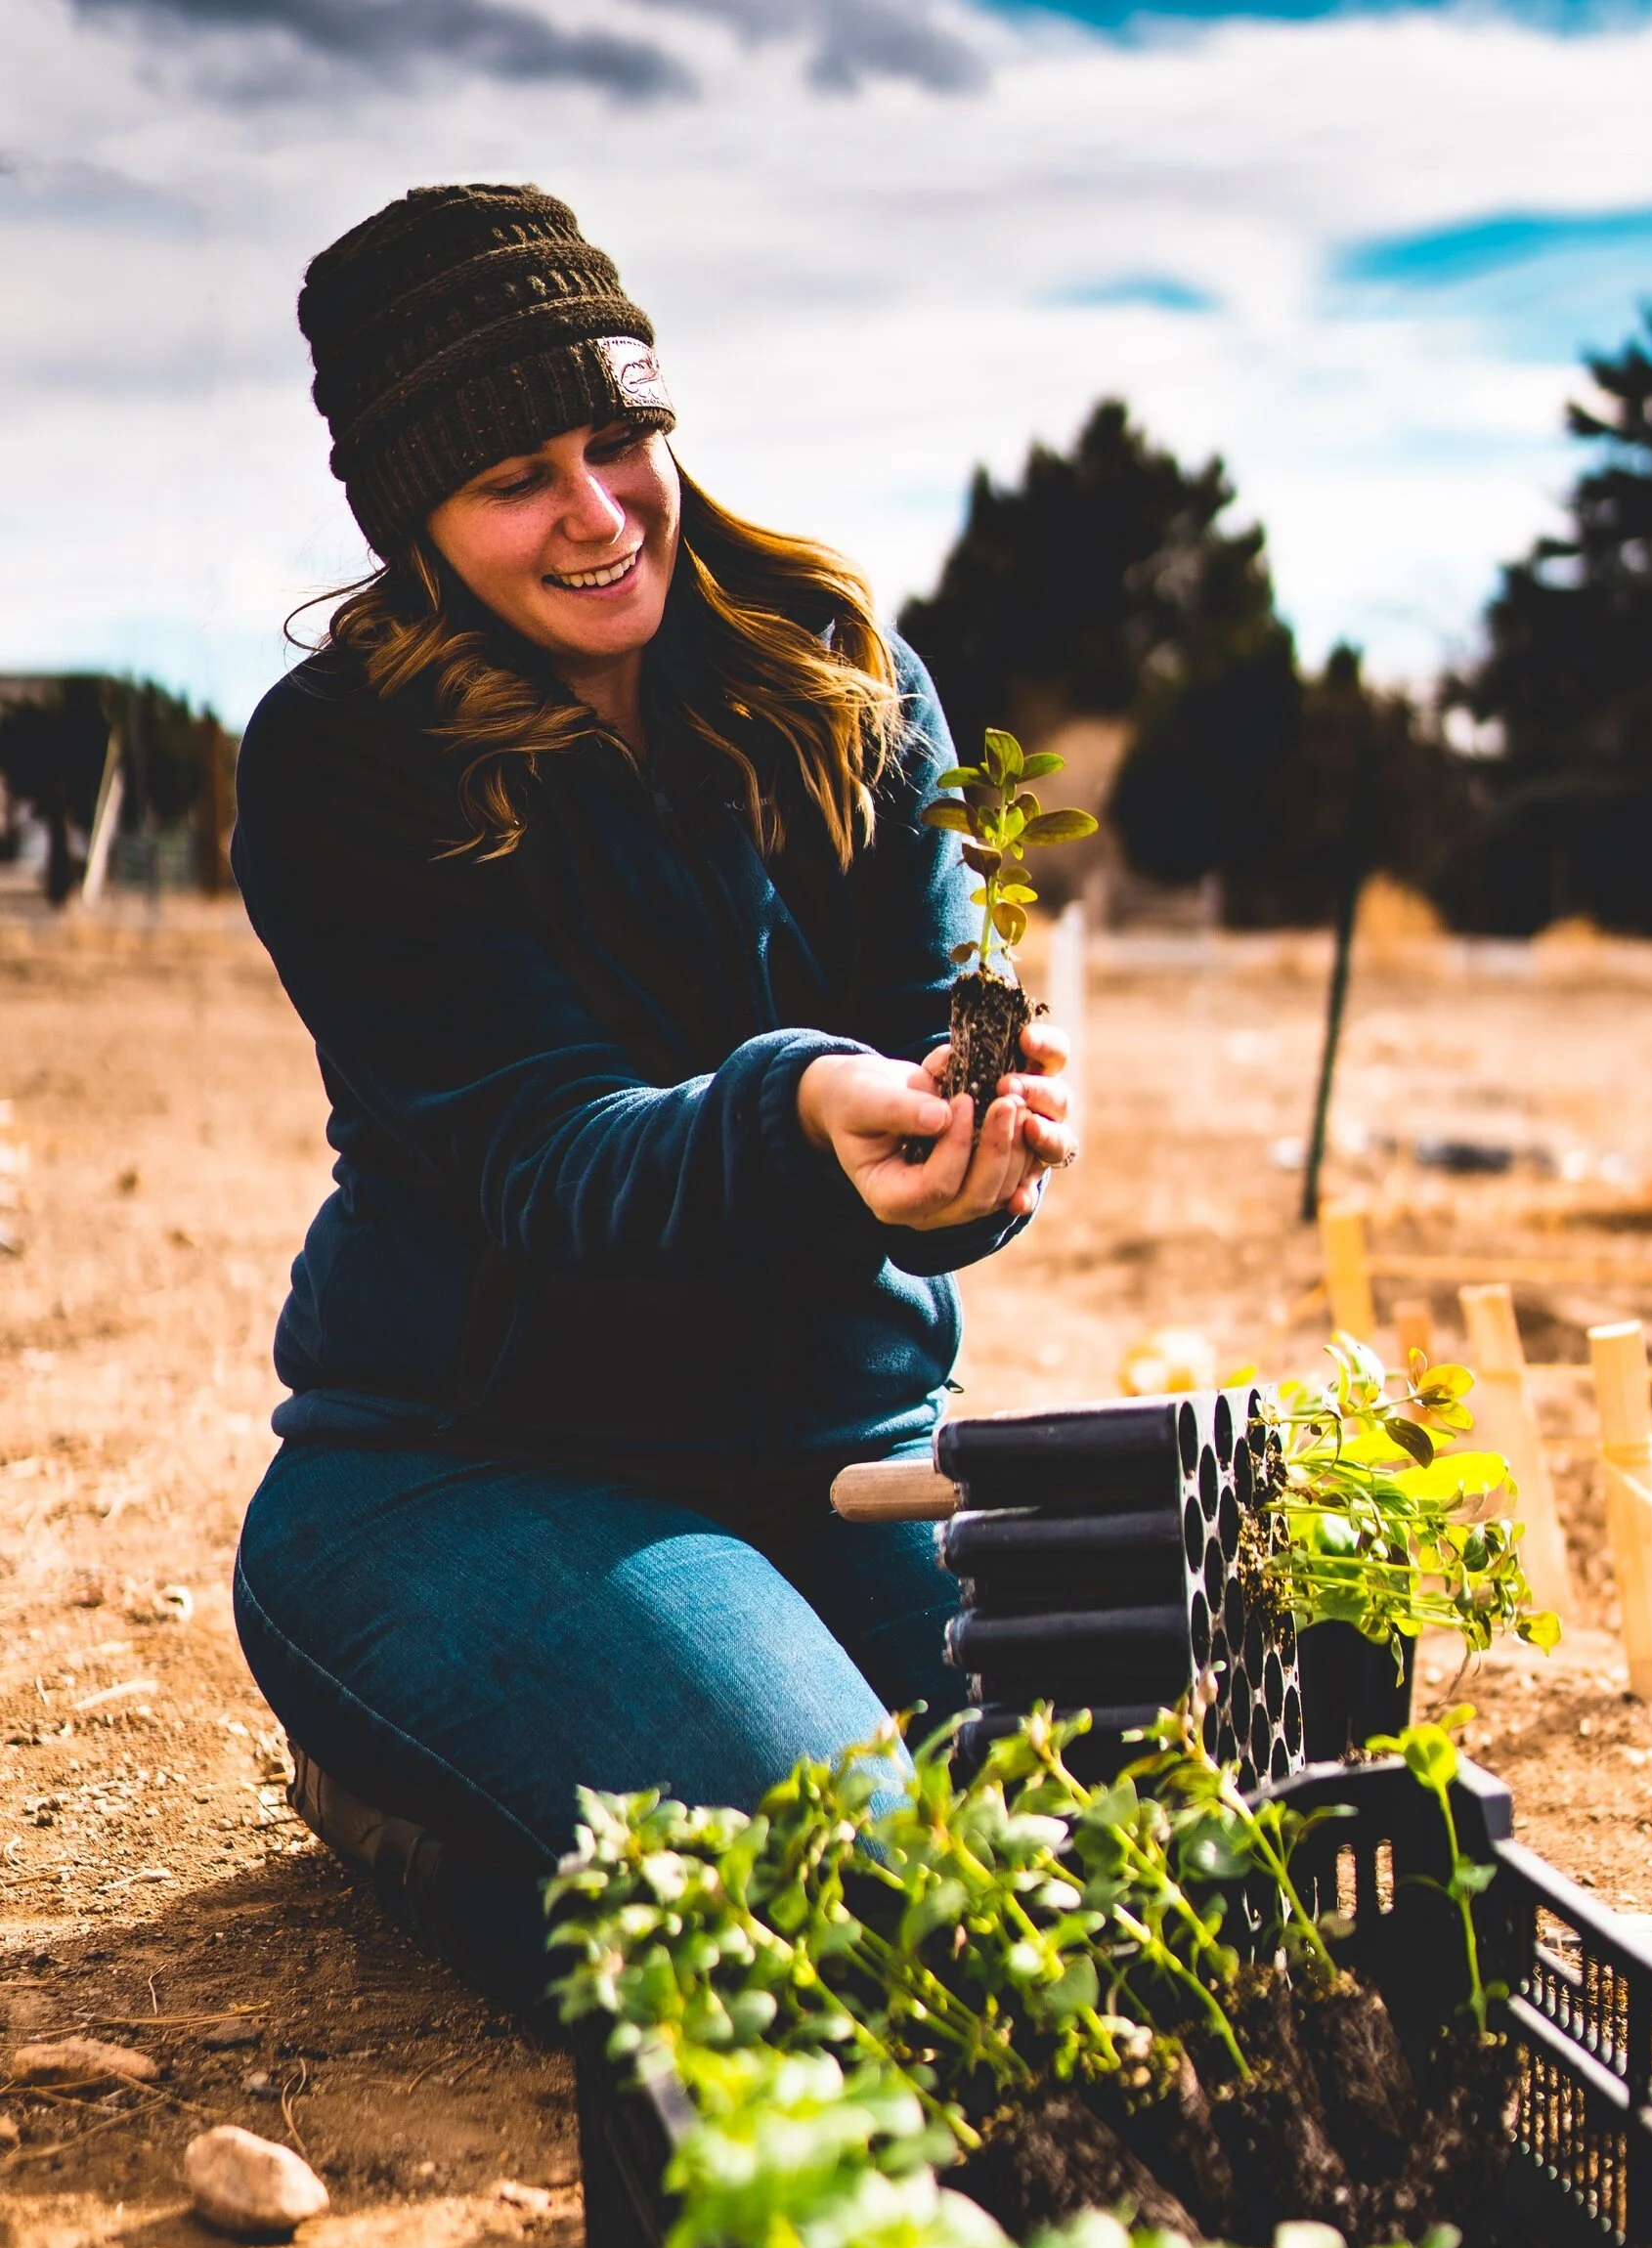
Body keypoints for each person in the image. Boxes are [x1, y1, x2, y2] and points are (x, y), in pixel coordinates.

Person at [230, 184, 1074, 2006]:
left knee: (1107, 1859)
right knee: (856, 1911)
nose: (602, 515)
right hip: (487, 1469)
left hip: (837, 1464)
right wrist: (792, 1116)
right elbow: (540, 1153)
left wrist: (975, 1165)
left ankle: (590, 1748)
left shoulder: (845, 680)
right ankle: (416, 1780)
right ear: (414, 520)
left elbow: (929, 1061)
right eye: (521, 478)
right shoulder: (346, 762)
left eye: (623, 443)